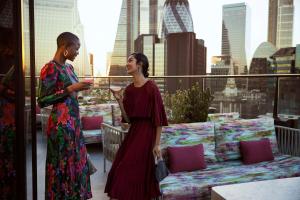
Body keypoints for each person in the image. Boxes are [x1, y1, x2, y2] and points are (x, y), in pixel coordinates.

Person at [105, 52, 168, 200]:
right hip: (134, 133)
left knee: (131, 169)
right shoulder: (129, 90)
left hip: (148, 134)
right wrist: (119, 100)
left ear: (139, 64)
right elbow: (127, 119)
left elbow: (159, 119)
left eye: (130, 61)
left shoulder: (151, 87)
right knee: (120, 168)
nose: (127, 63)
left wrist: (157, 144)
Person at [37, 32, 92, 199]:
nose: (77, 52)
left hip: (74, 124)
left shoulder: (69, 68)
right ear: (65, 48)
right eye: (76, 48)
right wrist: (70, 89)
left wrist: (79, 87)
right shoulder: (50, 68)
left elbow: (71, 93)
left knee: (77, 162)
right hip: (61, 127)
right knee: (62, 164)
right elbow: (42, 100)